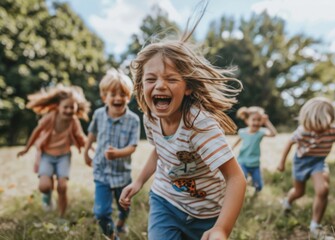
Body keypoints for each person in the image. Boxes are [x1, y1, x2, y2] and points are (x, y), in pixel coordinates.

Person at [119, 10, 247, 240]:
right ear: (141, 85)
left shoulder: (199, 126)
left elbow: (236, 178)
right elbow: (160, 149)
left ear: (187, 87)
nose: (159, 86)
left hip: (207, 213)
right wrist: (138, 182)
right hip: (165, 201)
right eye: (151, 79)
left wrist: (221, 228)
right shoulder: (151, 117)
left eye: (171, 79)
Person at [277, 97, 335, 238]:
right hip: (301, 162)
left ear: (330, 119)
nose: (317, 129)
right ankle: (288, 202)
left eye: (321, 125)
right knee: (299, 192)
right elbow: (288, 144)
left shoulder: (334, 131)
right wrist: (282, 163)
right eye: (313, 125)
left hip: (318, 162)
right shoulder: (303, 130)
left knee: (323, 190)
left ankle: (315, 226)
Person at [84, 68, 140, 240]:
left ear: (128, 97)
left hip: (122, 174)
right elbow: (92, 133)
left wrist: (117, 154)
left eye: (122, 94)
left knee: (124, 206)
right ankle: (112, 236)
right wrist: (86, 151)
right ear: (104, 97)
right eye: (113, 94)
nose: (117, 98)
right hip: (101, 172)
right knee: (101, 212)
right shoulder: (99, 114)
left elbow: (132, 146)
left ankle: (122, 222)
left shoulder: (134, 120)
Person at [17, 84, 90, 216]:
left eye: (71, 107)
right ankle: (48, 196)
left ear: (76, 108)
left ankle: (61, 215)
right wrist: (26, 148)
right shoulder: (51, 117)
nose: (68, 110)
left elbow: (81, 136)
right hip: (47, 156)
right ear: (58, 106)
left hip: (64, 156)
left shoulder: (73, 121)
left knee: (62, 187)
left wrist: (90, 147)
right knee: (44, 187)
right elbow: (36, 131)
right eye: (65, 107)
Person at [232, 106, 277, 192]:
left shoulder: (260, 132)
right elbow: (237, 141)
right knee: (242, 179)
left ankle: (255, 189)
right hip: (242, 161)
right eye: (254, 120)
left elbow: (274, 134)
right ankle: (242, 191)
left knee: (259, 186)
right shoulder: (242, 132)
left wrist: (267, 122)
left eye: (259, 120)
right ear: (247, 121)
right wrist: (232, 148)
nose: (256, 122)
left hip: (255, 163)